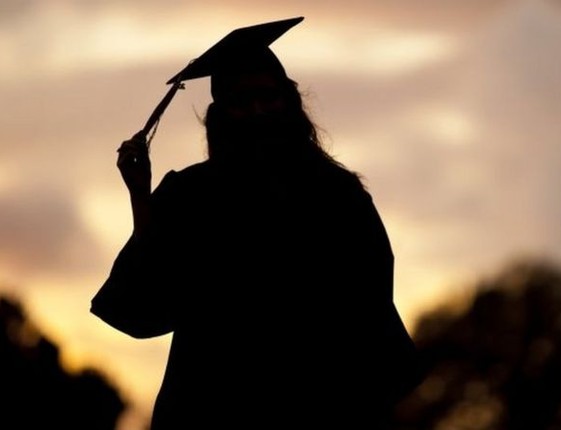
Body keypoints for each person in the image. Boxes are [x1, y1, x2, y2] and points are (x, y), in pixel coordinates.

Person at [91, 17, 422, 430]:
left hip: (319, 401)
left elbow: (370, 307)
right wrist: (141, 196)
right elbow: (144, 302)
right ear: (222, 115)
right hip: (211, 402)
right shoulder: (191, 195)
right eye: (242, 101)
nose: (258, 111)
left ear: (289, 101)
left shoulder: (337, 195)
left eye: (268, 97)